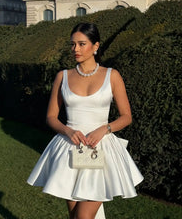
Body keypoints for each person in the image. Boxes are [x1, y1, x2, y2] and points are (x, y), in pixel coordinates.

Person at [27, 22, 144, 219]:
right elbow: (51, 117)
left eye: (82, 44)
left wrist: (104, 129)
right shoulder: (62, 77)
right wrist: (68, 131)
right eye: (73, 44)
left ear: (96, 46)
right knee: (74, 216)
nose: (76, 49)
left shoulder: (111, 75)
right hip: (69, 149)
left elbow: (126, 117)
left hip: (100, 150)